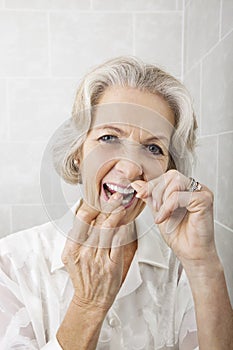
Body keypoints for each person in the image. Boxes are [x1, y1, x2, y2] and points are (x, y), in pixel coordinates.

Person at [0, 56, 232, 350]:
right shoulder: (9, 263)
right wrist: (88, 305)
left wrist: (203, 264)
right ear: (78, 151)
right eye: (109, 137)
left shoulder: (181, 271)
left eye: (153, 148)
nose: (131, 167)